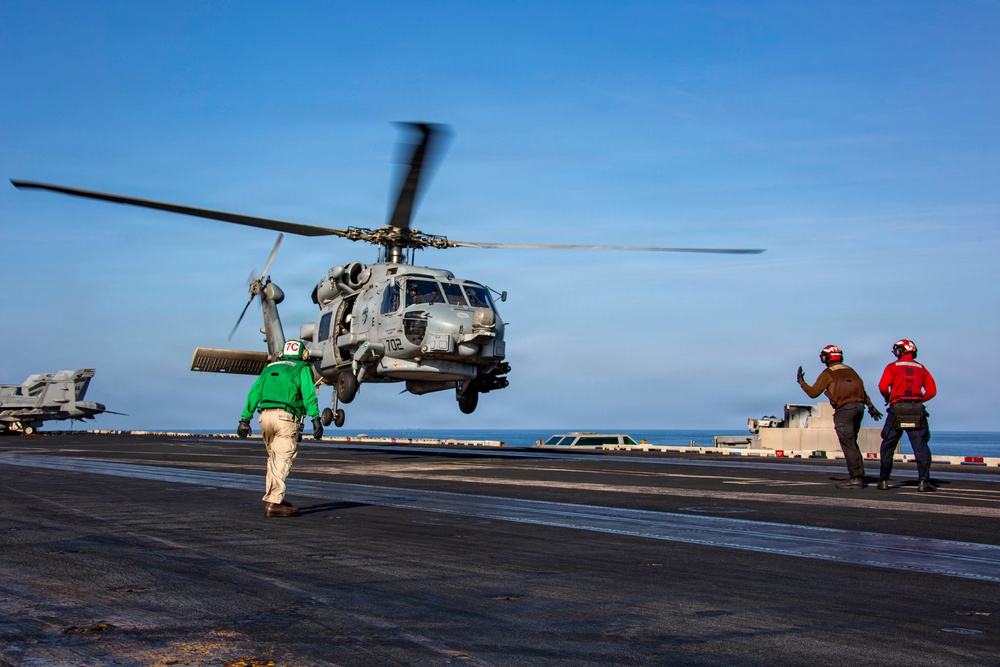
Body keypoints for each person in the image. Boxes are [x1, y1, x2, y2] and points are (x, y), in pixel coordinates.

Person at [237, 339, 323, 517]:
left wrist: (245, 419)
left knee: (274, 459)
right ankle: (274, 504)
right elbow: (308, 393)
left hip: (265, 418)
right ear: (302, 354)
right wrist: (315, 417)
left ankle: (274, 498)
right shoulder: (302, 367)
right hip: (285, 418)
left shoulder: (269, 368)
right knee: (282, 460)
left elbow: (254, 393)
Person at [797, 345, 883, 489]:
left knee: (848, 443)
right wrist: (871, 407)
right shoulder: (851, 371)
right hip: (859, 408)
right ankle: (858, 474)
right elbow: (862, 392)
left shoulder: (828, 373)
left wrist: (801, 382)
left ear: (827, 358)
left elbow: (813, 393)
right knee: (852, 442)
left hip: (844, 410)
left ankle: (855, 478)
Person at [876, 339, 937, 492]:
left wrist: (889, 398)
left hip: (897, 409)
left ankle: (883, 481)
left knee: (888, 445)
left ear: (900, 351)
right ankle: (923, 482)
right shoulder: (922, 368)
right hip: (916, 410)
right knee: (921, 446)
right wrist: (918, 400)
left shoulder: (892, 366)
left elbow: (882, 387)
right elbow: (932, 391)